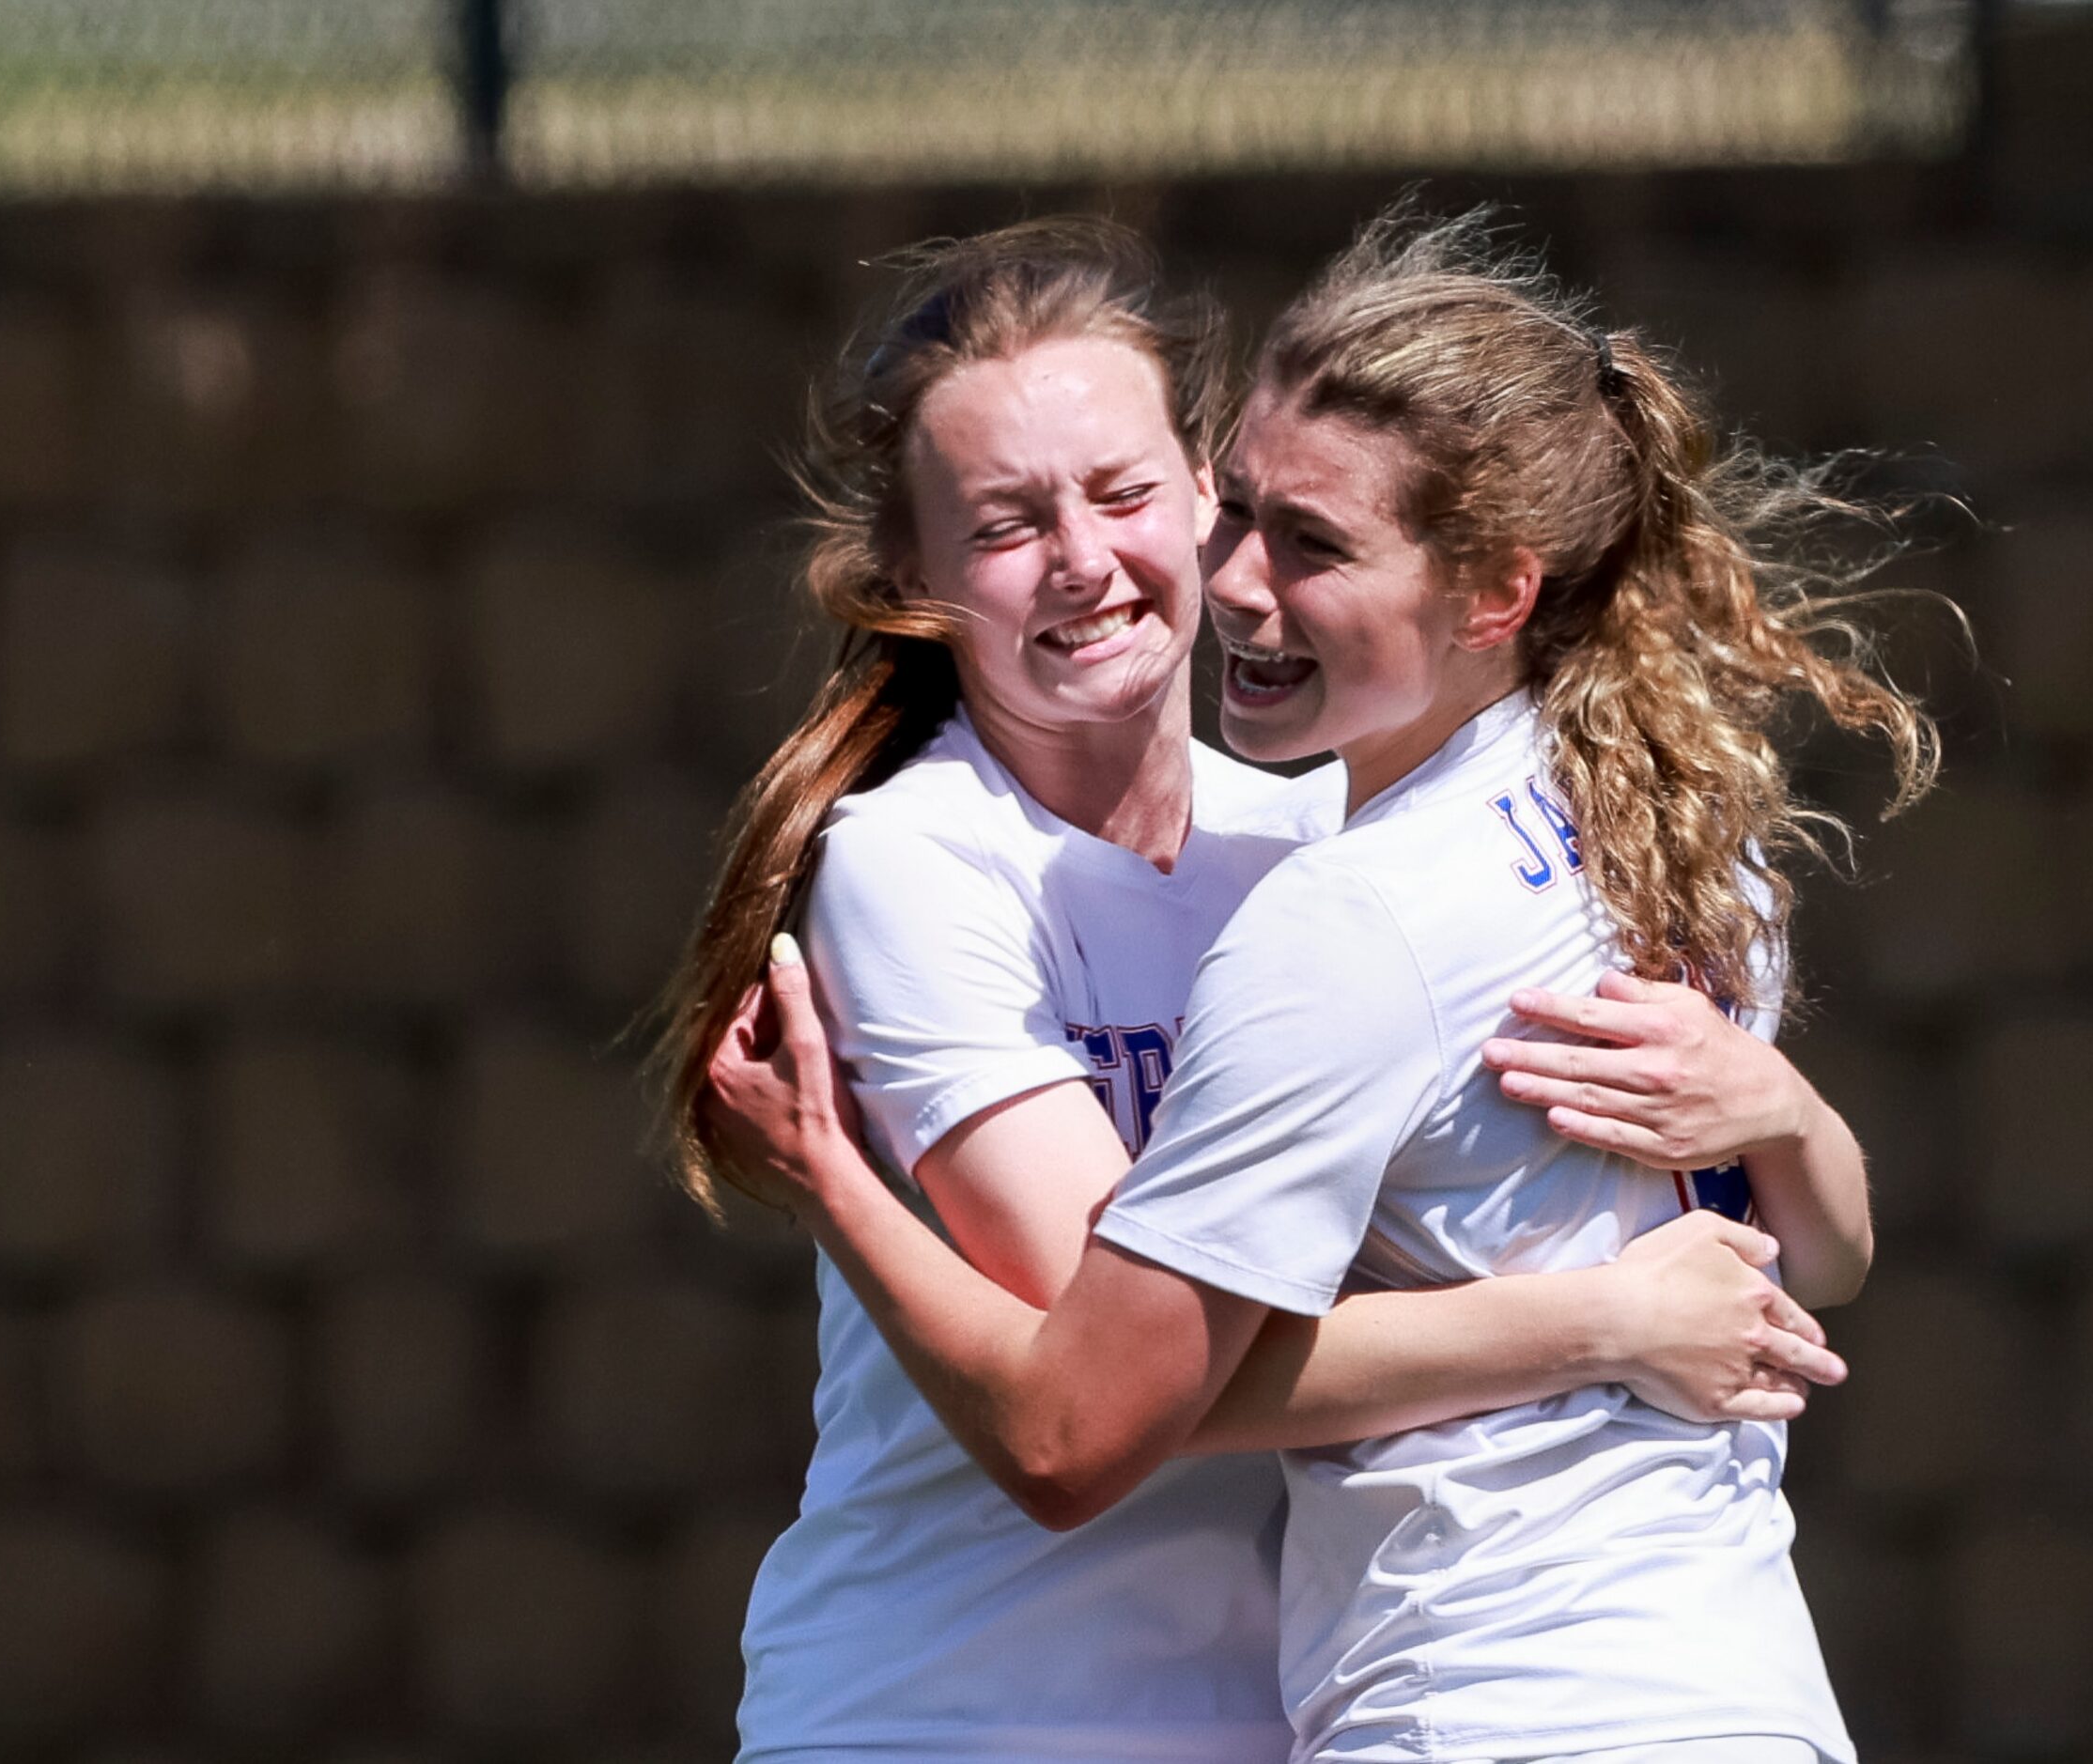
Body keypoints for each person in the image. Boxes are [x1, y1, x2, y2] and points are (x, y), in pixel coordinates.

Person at [703, 210, 1935, 1764]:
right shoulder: (922, 859)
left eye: (1125, 492)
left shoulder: (1328, 846)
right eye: (1008, 523)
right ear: (913, 574)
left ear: (1200, 485)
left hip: (1270, 1712)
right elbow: (1101, 1398)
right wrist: (1600, 1320)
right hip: (958, 1705)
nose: (1086, 559)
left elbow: (1776, 1248)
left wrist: (1784, 1110)